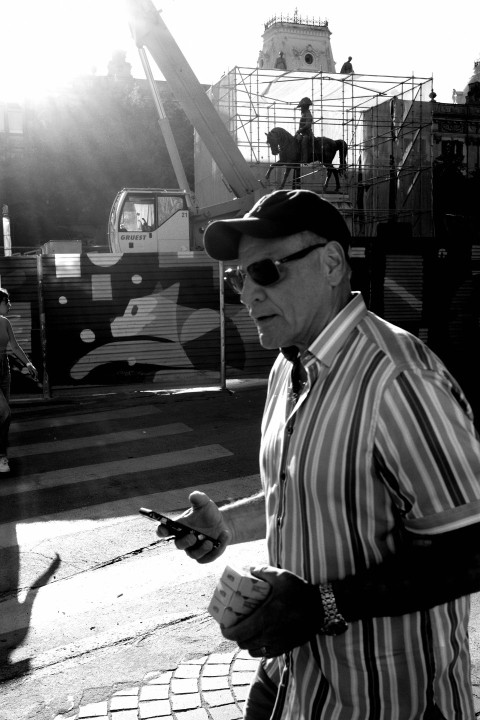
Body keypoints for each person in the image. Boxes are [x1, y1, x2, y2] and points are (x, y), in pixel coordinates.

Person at [156, 189, 480, 719]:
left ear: (331, 263)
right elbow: (311, 487)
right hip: (291, 680)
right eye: (237, 278)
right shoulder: (289, 365)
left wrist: (321, 605)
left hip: (384, 698)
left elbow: (469, 551)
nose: (247, 295)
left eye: (264, 271)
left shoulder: (398, 378)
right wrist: (228, 524)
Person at [0, 288, 37, 473]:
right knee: (4, 412)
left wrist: (28, 363)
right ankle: (1, 457)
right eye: (7, 301)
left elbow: (14, 346)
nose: (10, 305)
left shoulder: (5, 322)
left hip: (4, 371)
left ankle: (2, 455)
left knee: (5, 417)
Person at [295, 97, 313, 164]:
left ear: (305, 107)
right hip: (302, 133)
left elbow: (308, 125)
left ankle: (305, 159)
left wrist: (300, 130)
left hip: (307, 134)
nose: (301, 109)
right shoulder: (303, 114)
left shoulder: (308, 114)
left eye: (302, 107)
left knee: (304, 142)